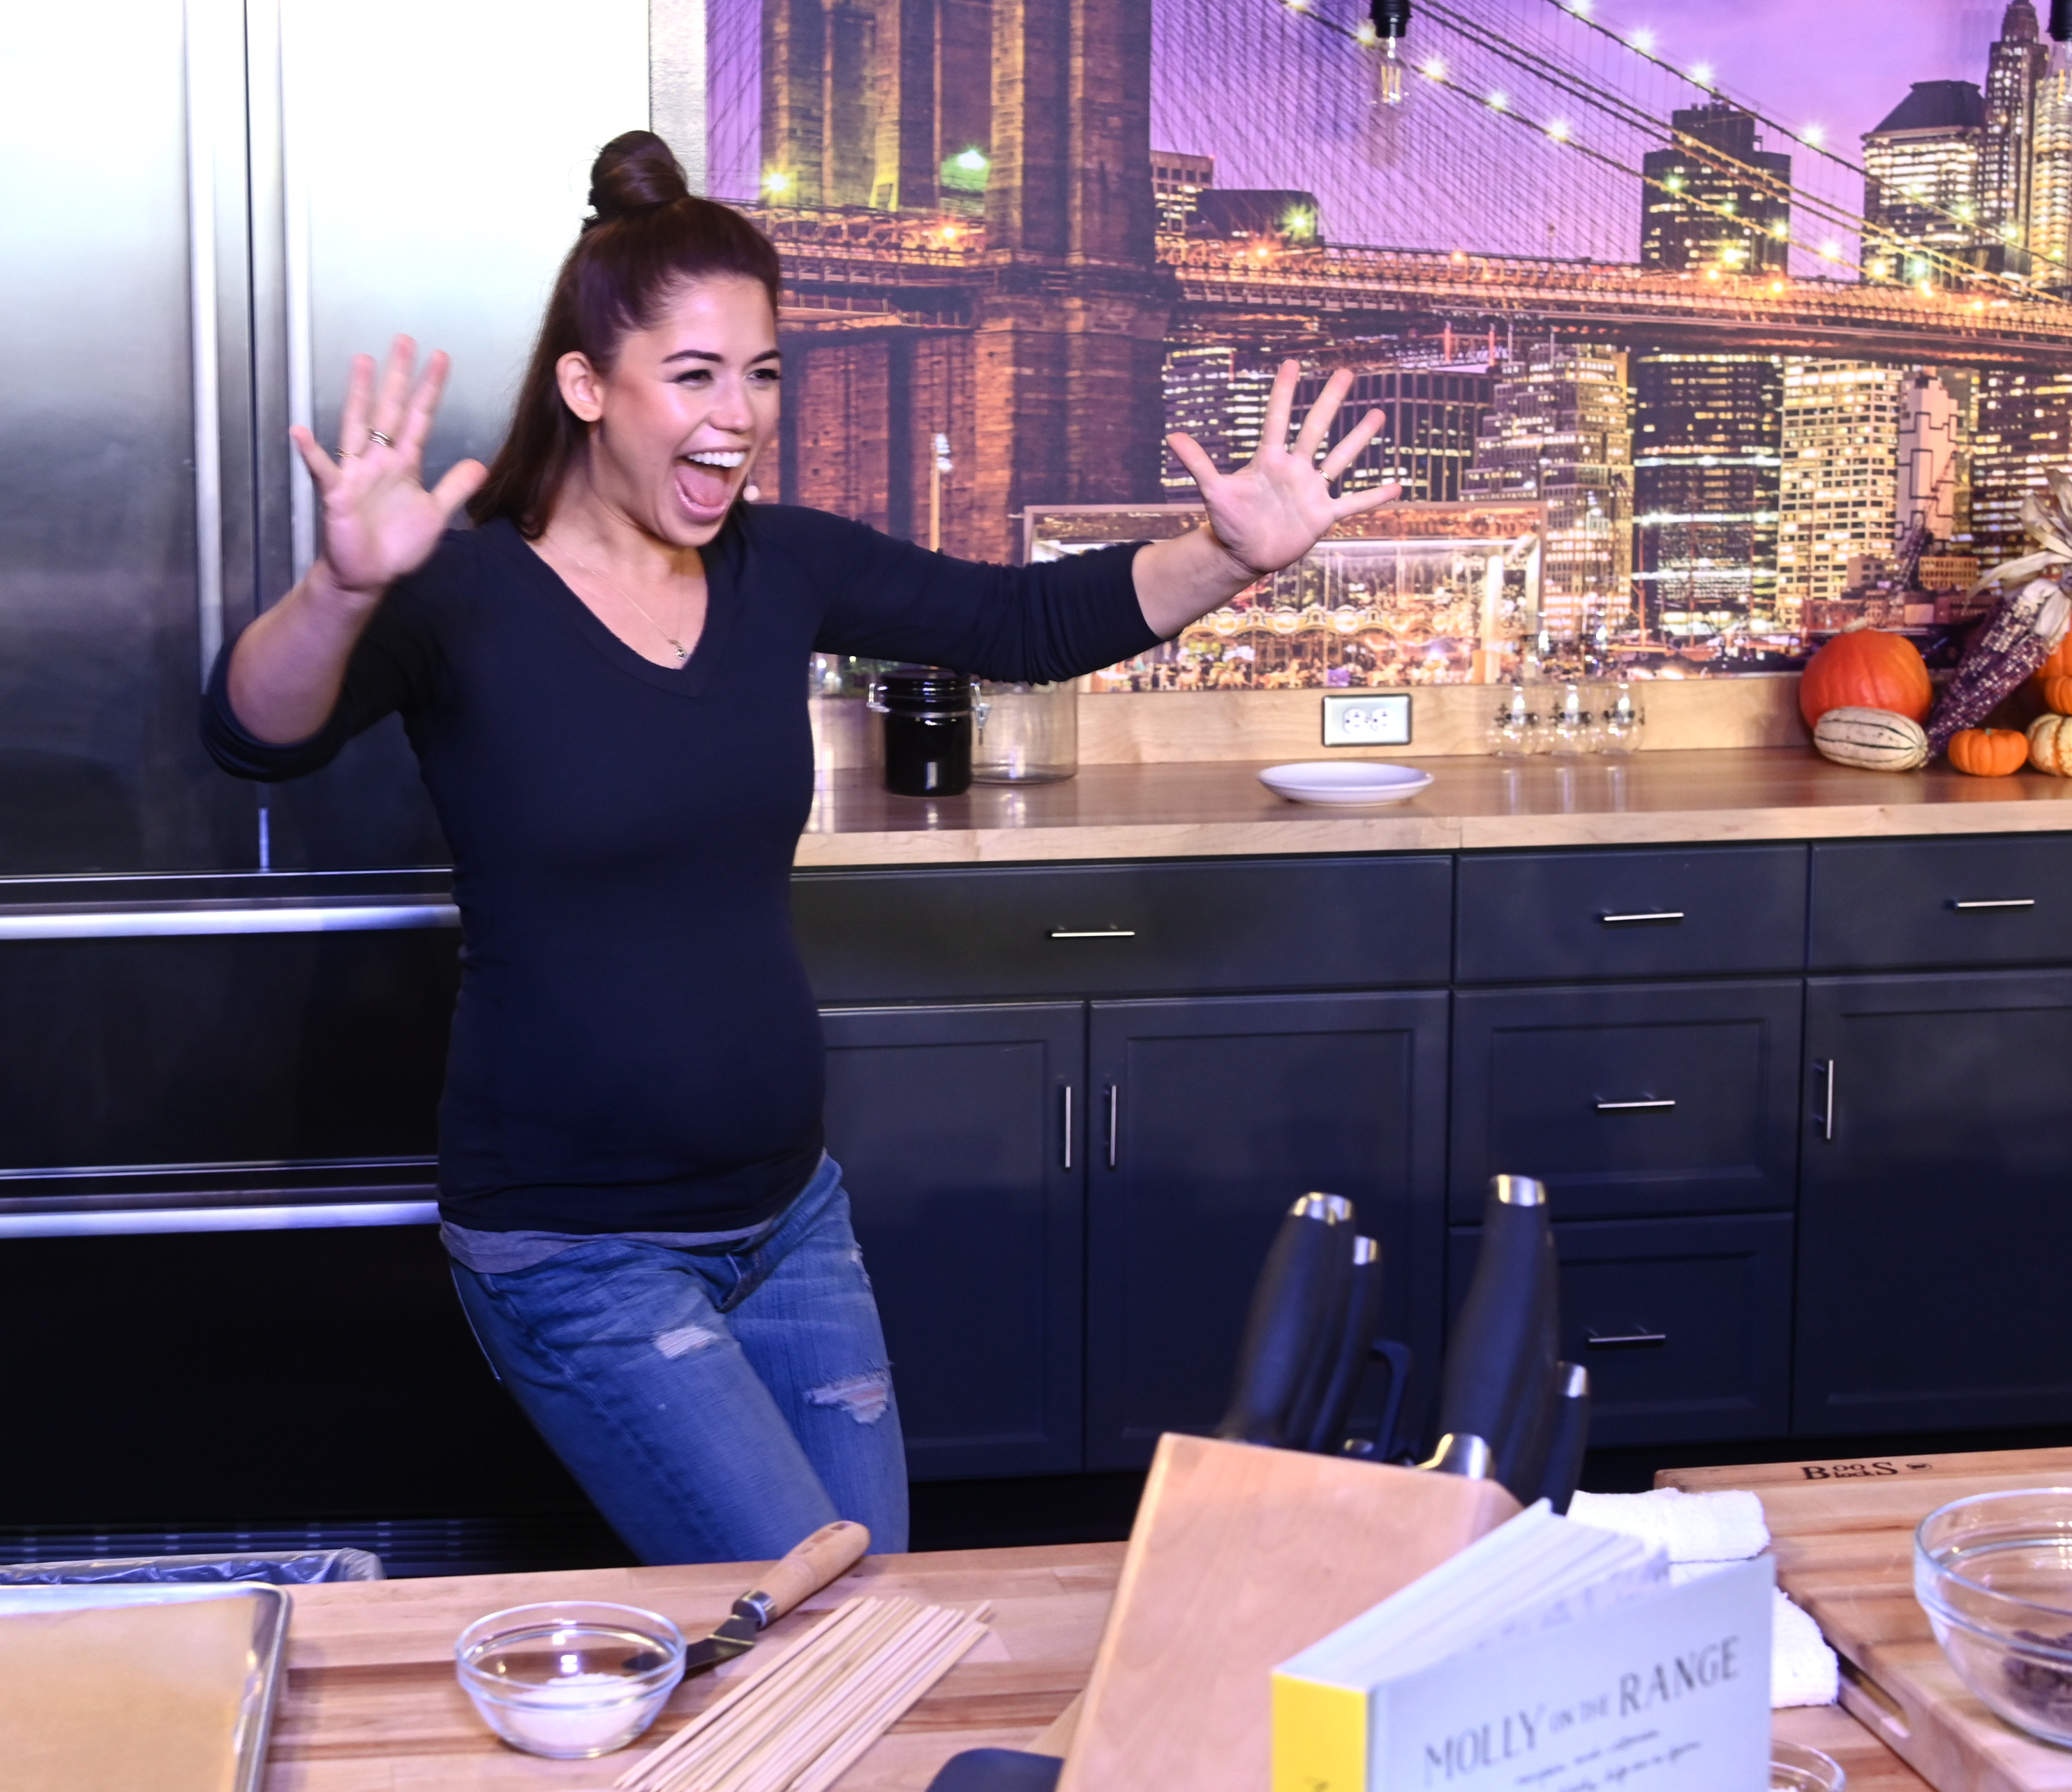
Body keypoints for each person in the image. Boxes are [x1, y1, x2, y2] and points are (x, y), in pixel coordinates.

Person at [202, 130, 1396, 1567]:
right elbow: (250, 733)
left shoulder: (779, 568)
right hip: (577, 1250)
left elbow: (1021, 624)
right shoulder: (461, 593)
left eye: (761, 373)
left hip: (787, 1221)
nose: (739, 414)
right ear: (588, 389)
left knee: (861, 1631)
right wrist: (338, 589)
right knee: (813, 1628)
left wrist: (1233, 554)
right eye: (694, 377)